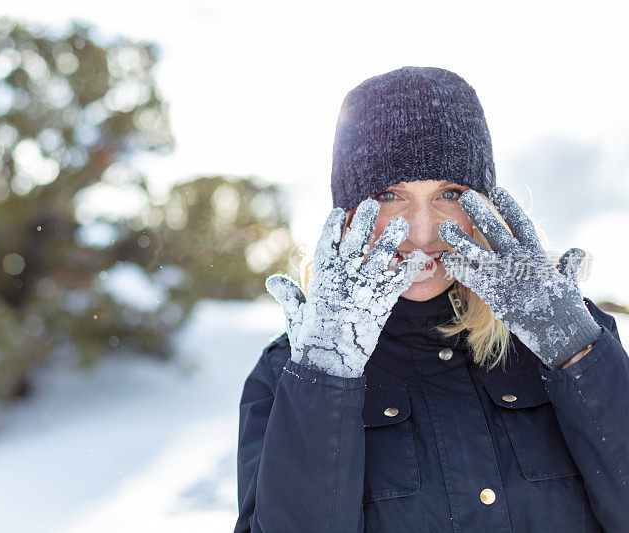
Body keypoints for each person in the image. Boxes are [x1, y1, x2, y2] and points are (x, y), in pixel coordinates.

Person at [234, 66, 629, 532]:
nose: (421, 233)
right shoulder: (288, 371)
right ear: (347, 216)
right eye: (389, 195)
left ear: (485, 205)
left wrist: (577, 356)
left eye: (450, 193)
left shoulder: (570, 336)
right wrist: (324, 380)